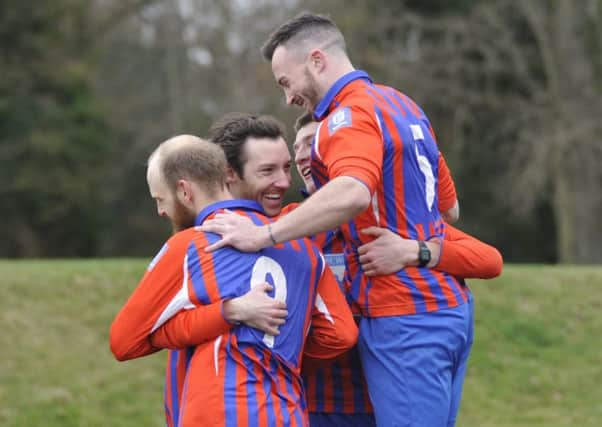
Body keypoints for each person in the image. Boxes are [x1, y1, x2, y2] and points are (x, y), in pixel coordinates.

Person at [198, 13, 480, 427]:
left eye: (285, 81)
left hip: (402, 316)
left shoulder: (344, 119)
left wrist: (264, 234)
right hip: (450, 311)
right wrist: (415, 242)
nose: (288, 97)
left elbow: (351, 192)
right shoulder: (402, 104)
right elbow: (449, 209)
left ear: (316, 60)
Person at [109, 135, 358, 426]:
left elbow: (124, 342)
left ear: (185, 191)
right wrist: (282, 350)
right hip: (287, 411)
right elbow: (341, 335)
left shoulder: (190, 245)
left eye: (160, 200)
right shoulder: (305, 247)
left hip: (218, 411)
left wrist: (220, 315)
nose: (161, 211)